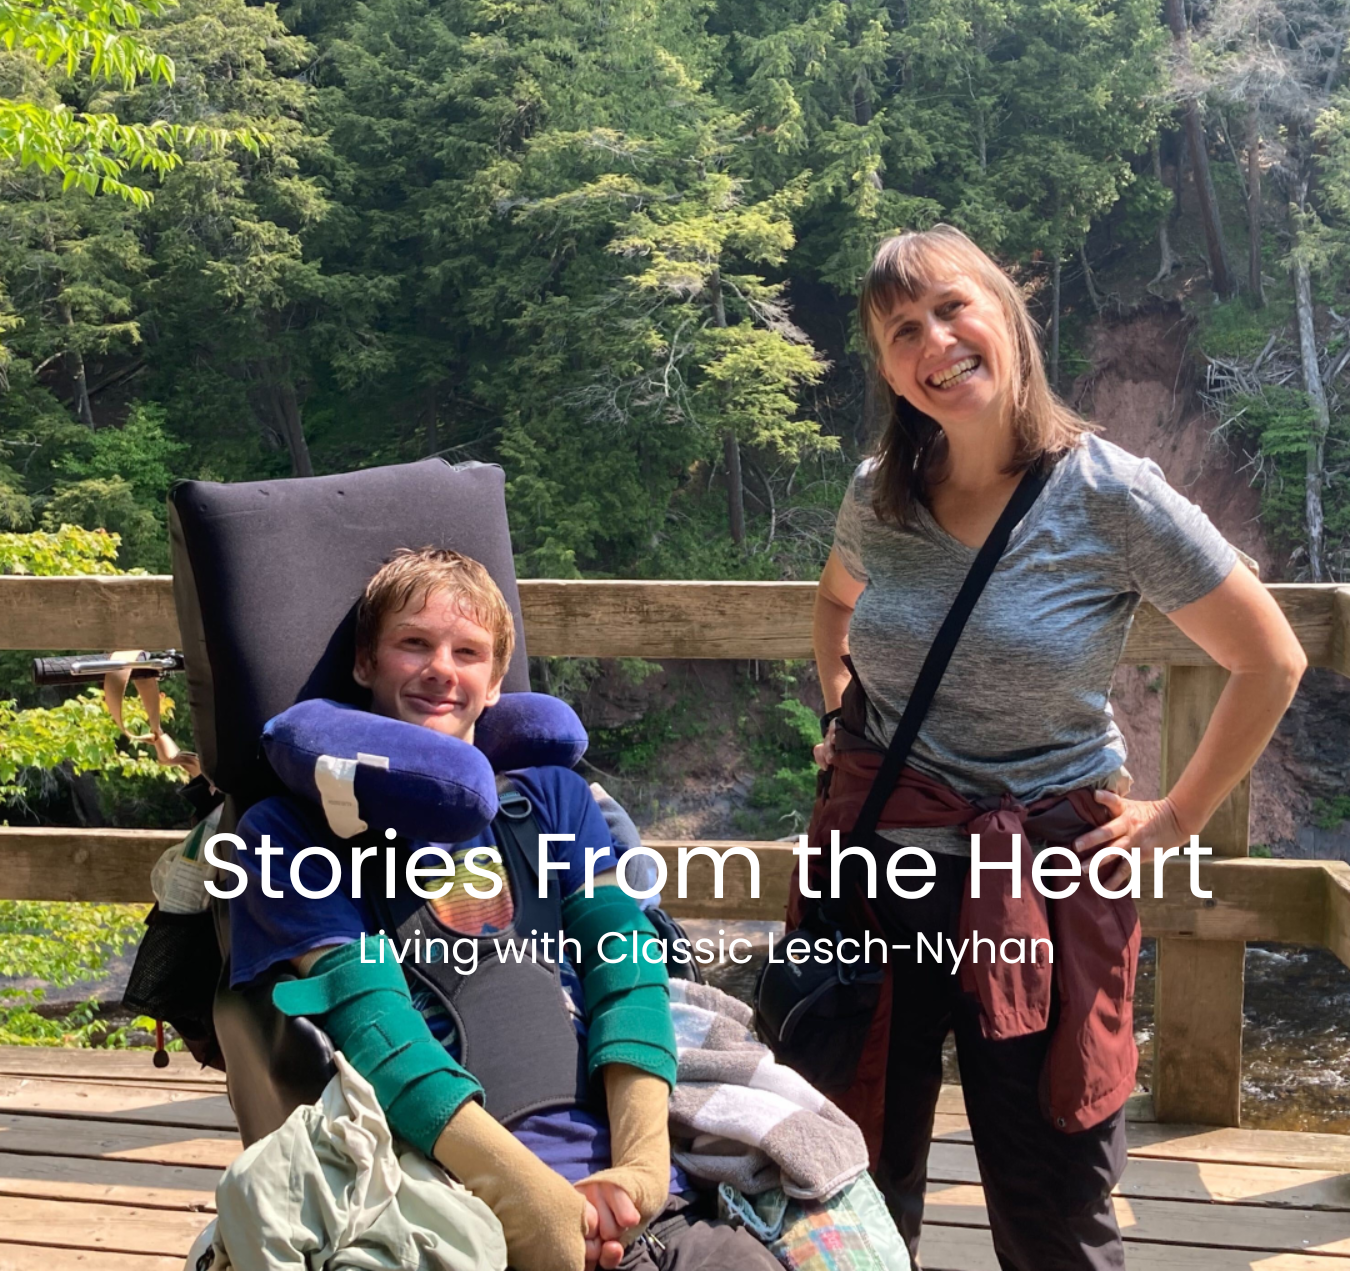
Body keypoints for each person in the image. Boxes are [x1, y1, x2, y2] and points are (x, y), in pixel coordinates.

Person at [804, 225, 1307, 1271]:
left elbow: (1271, 659)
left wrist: (1176, 817)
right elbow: (834, 602)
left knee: (1053, 1202)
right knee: (849, 1176)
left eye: (951, 308)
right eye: (902, 331)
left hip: (1040, 883)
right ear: (889, 369)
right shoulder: (879, 492)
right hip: (878, 872)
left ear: (1005, 314)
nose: (933, 342)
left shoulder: (1107, 493)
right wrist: (840, 713)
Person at [227, 547, 783, 1271]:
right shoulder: (287, 831)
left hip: (640, 1203)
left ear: (494, 684)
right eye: (413, 643)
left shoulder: (551, 800)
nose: (441, 670)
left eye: (468, 652)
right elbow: (374, 1033)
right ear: (365, 663)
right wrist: (531, 1204)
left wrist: (642, 1171)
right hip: (443, 1210)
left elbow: (628, 970)